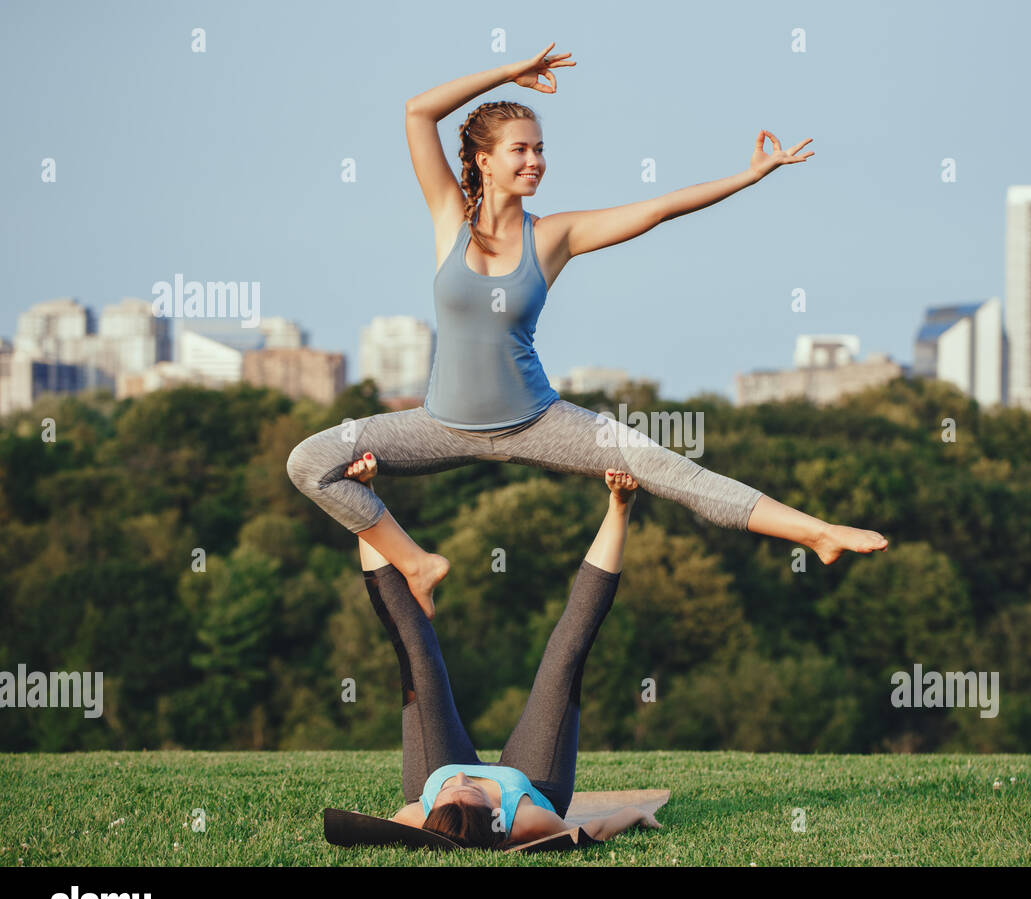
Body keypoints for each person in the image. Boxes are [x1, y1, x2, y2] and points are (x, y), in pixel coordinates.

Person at [286, 42, 887, 620]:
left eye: (541, 149)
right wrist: (510, 72)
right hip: (440, 426)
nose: (535, 162)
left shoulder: (553, 236)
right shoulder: (449, 218)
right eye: (520, 149)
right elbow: (418, 111)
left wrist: (748, 176)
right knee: (309, 462)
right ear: (483, 160)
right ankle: (417, 563)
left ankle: (818, 532)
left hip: (540, 421)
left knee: (671, 470)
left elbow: (658, 209)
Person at [361, 461, 658, 849]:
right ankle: (620, 506)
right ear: (497, 818)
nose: (465, 779)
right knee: (566, 655)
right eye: (474, 792)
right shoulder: (529, 821)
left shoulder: (415, 815)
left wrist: (356, 500)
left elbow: (359, 830)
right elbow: (594, 832)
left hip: (433, 767)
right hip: (533, 782)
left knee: (416, 653)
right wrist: (636, 814)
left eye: (453, 790)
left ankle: (362, 499)